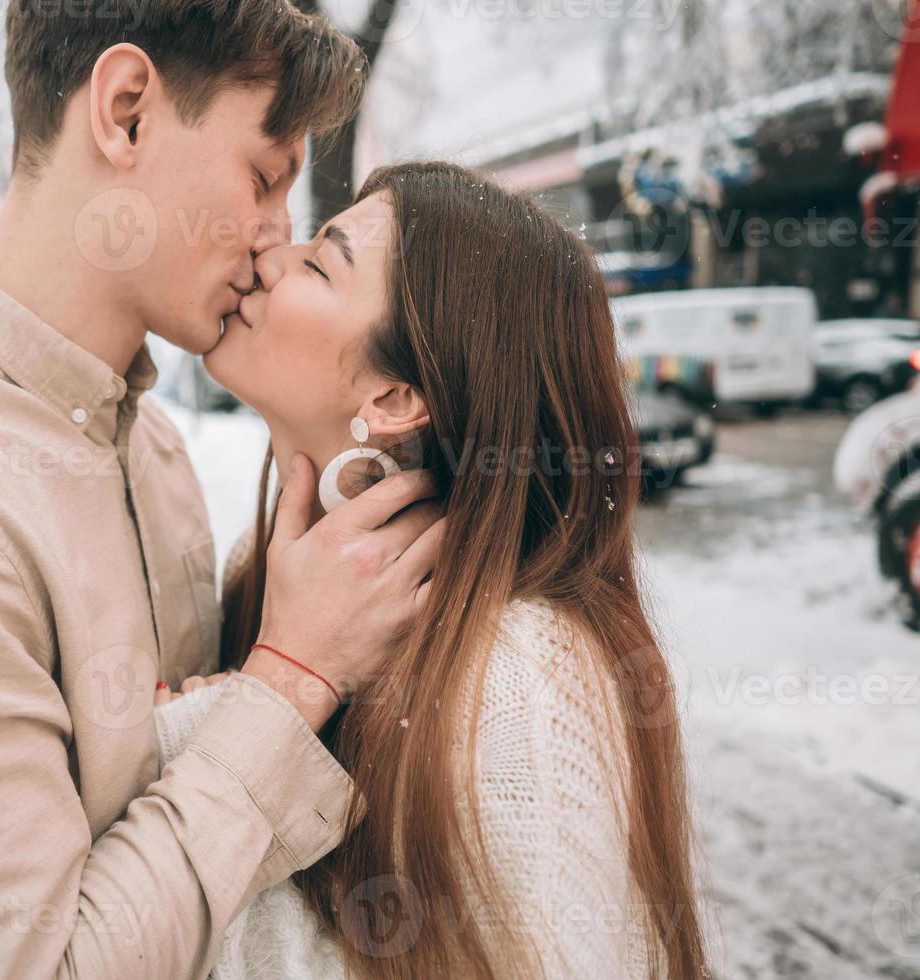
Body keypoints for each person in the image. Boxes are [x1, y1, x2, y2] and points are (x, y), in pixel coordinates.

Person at [0, 3, 443, 978]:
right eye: (265, 176)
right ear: (126, 112)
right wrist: (290, 677)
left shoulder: (145, 443)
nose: (278, 237)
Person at [156, 160, 709, 979]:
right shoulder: (265, 569)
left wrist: (187, 736)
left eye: (319, 262)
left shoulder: (518, 673)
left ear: (392, 401)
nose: (268, 252)